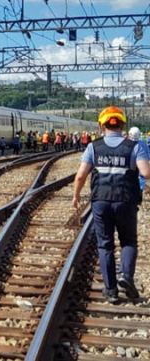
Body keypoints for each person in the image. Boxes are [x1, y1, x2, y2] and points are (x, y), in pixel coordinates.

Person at [73, 106, 150, 304]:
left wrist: (76, 196)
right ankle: (126, 275)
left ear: (101, 125)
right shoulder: (135, 146)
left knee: (105, 244)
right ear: (123, 124)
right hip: (126, 200)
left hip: (100, 200)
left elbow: (81, 175)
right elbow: (146, 173)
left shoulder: (93, 146)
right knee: (128, 241)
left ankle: (111, 290)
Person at [130, 127, 149, 194]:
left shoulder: (128, 143)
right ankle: (140, 192)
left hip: (131, 164)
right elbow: (146, 153)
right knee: (141, 177)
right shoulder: (142, 143)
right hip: (141, 163)